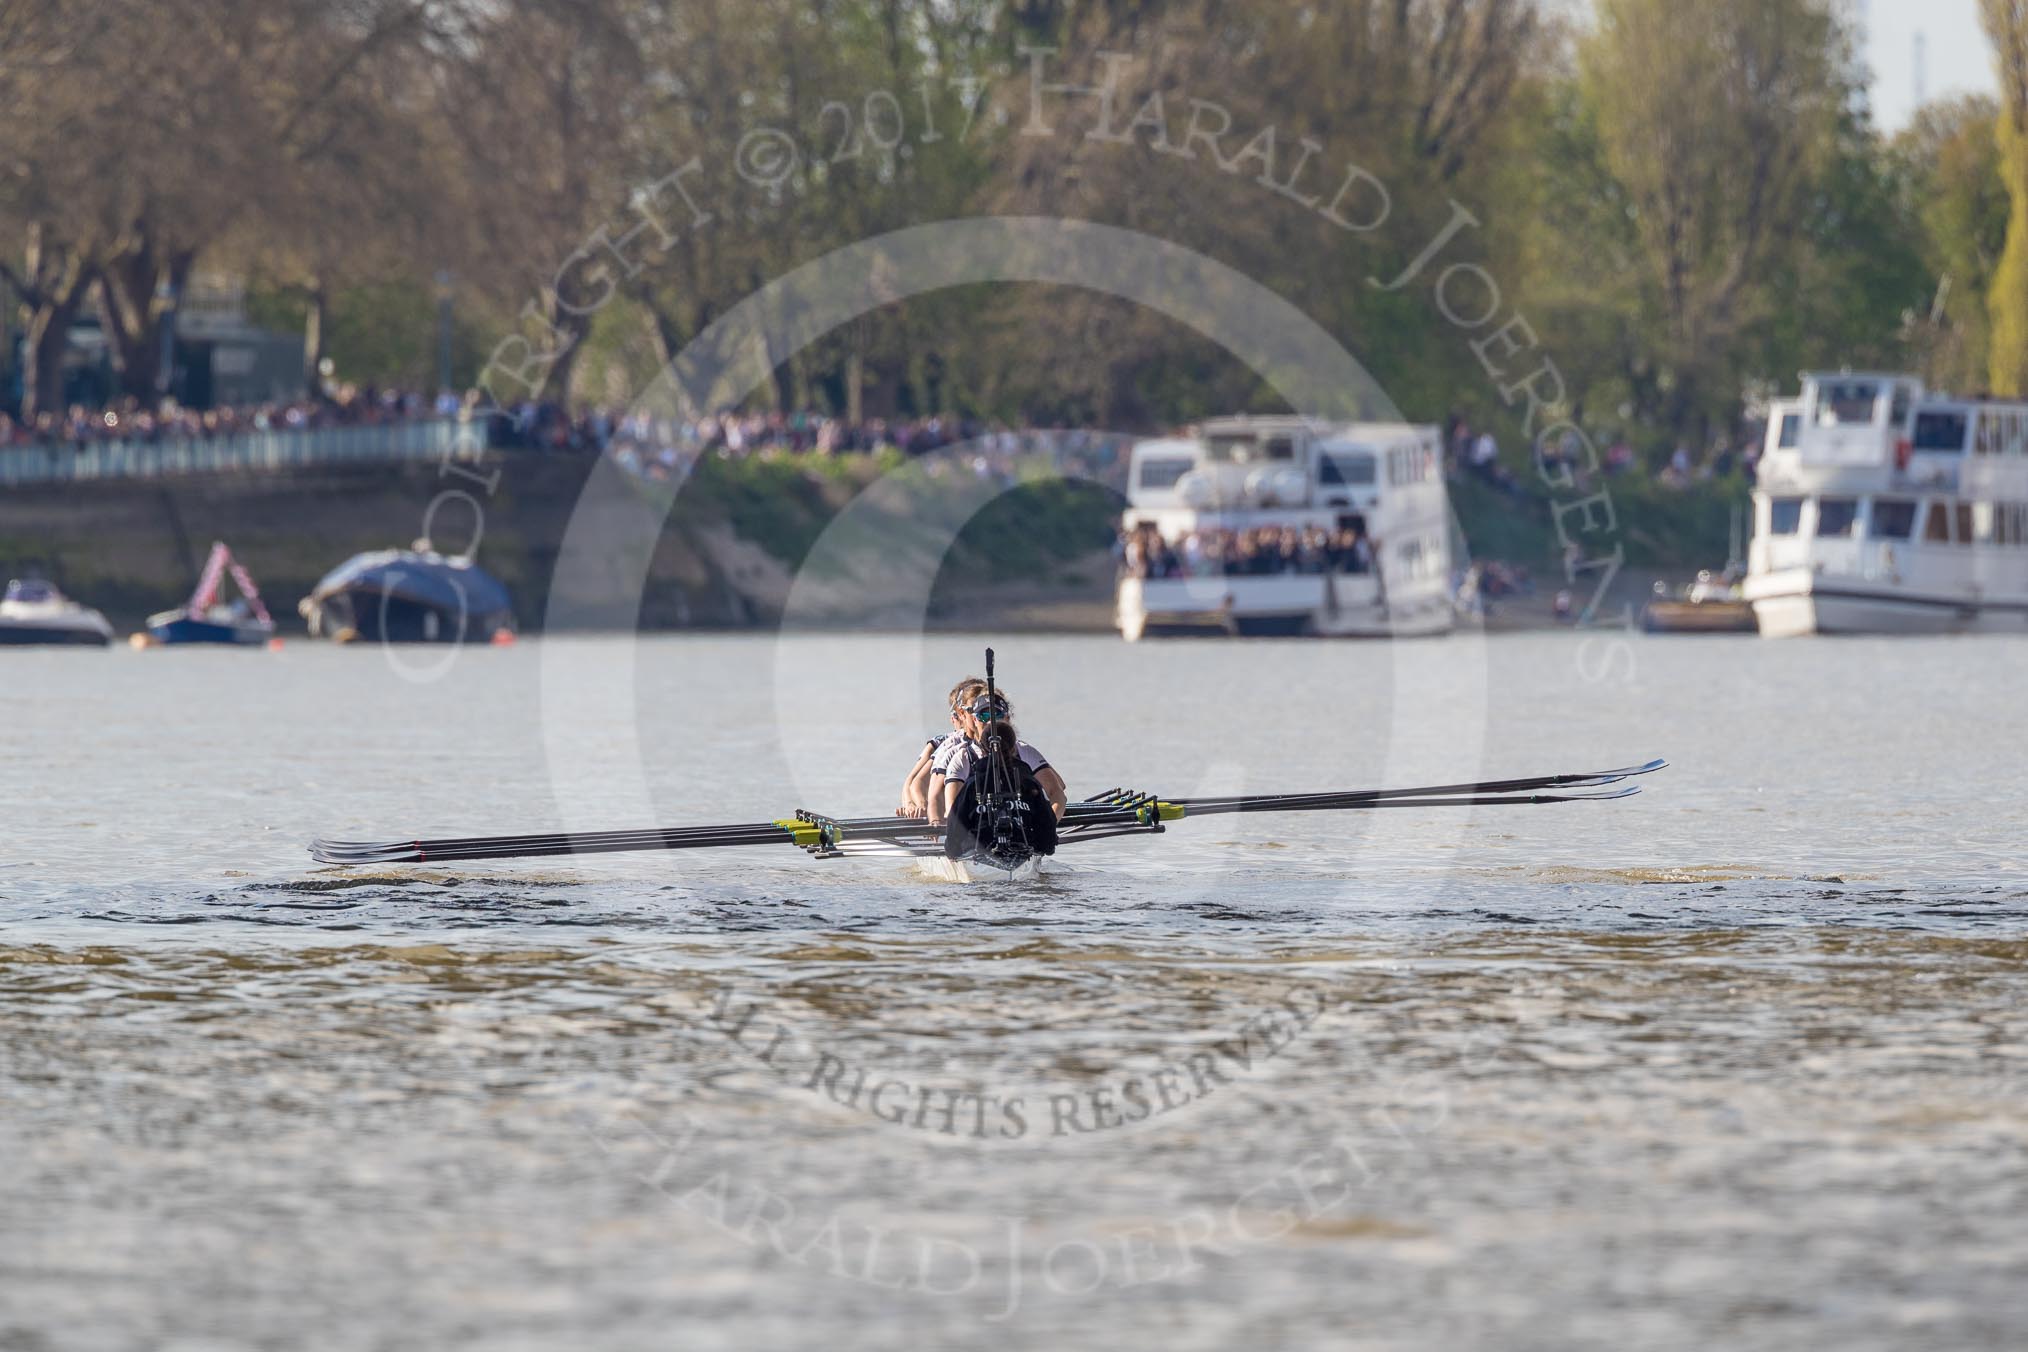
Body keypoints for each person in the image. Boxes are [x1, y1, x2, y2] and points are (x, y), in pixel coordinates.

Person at [929, 689, 1067, 827]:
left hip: (1022, 829)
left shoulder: (1025, 752)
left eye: (997, 714)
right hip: (978, 833)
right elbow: (952, 807)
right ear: (975, 720)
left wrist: (1049, 825)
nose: (991, 721)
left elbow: (1057, 793)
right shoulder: (962, 757)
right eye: (984, 715)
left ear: (1007, 718)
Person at [941, 716, 1061, 864]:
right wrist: (1045, 848)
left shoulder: (972, 785)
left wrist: (952, 852)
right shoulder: (1031, 784)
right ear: (1013, 748)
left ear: (983, 748)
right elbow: (1047, 826)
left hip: (980, 853)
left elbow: (955, 826)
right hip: (1023, 850)